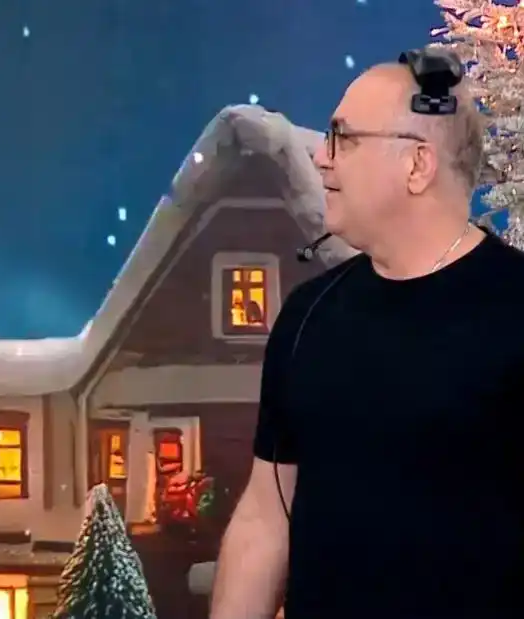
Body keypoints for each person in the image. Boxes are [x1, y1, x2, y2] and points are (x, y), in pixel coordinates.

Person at [210, 52, 524, 619]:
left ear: (417, 164)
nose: (319, 156)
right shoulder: (308, 316)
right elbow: (264, 519)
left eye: (344, 138)